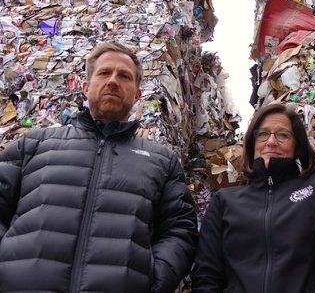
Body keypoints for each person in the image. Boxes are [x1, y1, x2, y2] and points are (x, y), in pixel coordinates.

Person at [0, 42, 198, 292]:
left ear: (137, 94)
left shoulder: (161, 161)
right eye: (104, 73)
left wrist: (154, 281)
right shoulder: (32, 145)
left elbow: (180, 230)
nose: (113, 81)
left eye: (124, 76)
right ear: (86, 87)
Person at [191, 103, 315, 292]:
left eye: (282, 135)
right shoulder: (224, 201)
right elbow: (206, 275)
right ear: (252, 143)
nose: (271, 141)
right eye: (263, 134)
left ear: (297, 146)